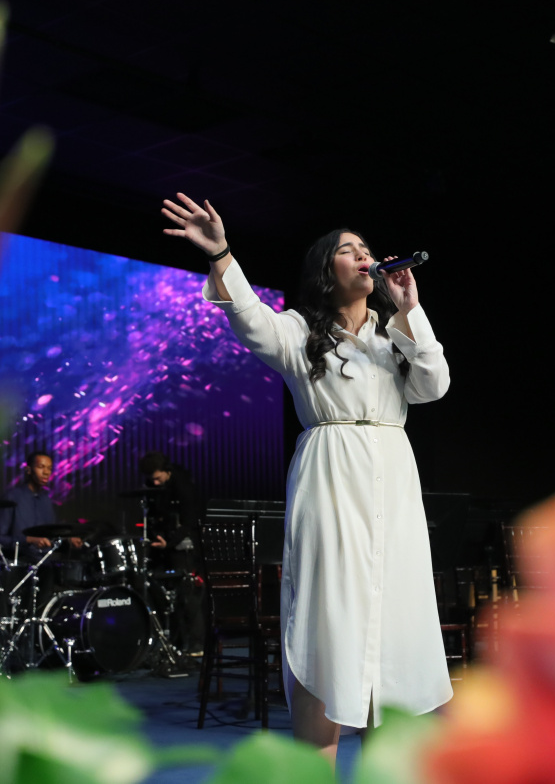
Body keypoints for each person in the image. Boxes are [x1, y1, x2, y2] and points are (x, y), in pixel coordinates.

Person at [161, 192, 451, 763]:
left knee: (394, 621)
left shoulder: (394, 336)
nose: (364, 255)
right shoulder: (299, 332)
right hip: (331, 478)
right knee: (329, 621)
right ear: (326, 269)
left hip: (394, 484)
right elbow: (251, 321)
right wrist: (220, 253)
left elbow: (434, 386)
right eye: (349, 250)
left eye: (367, 249)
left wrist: (409, 311)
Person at [138, 450, 204, 656]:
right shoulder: (156, 486)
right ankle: (175, 642)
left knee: (187, 596)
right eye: (152, 480)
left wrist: (170, 541)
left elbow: (190, 521)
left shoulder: (183, 486)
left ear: (167, 471)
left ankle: (197, 645)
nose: (155, 483)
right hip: (166, 545)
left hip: (184, 547)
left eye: (158, 478)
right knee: (168, 598)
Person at [0, 451, 82, 561]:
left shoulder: (46, 500)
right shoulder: (12, 497)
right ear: (28, 470)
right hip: (18, 564)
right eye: (41, 467)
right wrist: (28, 540)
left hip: (44, 563)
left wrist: (68, 540)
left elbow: (51, 536)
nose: (46, 472)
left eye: (49, 468)